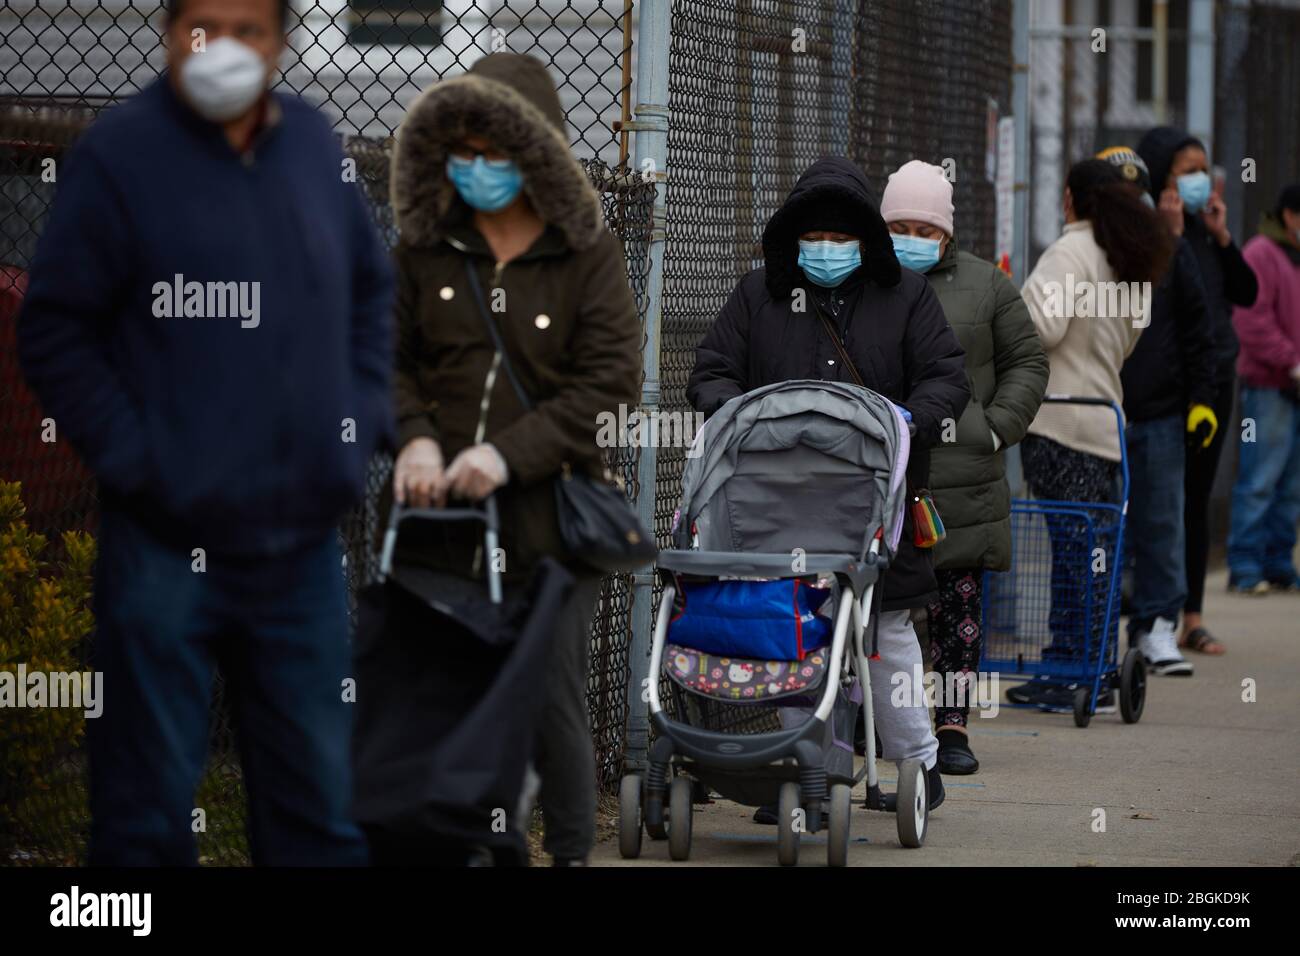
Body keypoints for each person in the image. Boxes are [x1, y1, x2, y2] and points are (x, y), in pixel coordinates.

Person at [17, 0, 392, 865]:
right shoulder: (121, 154)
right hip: (160, 544)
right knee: (144, 816)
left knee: (319, 815)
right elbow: (56, 328)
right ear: (169, 32)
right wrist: (137, 458)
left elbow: (372, 295)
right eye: (203, 26)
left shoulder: (310, 144)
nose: (223, 47)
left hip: (298, 547)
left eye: (248, 28)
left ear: (282, 41)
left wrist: (355, 427)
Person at [387, 52, 642, 866]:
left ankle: (568, 854)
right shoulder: (425, 253)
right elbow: (382, 359)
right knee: (444, 701)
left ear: (537, 155)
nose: (478, 169)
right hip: (442, 522)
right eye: (462, 151)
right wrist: (416, 435)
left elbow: (610, 382)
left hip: (551, 523)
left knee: (547, 699)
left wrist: (506, 457)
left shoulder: (587, 255)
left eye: (496, 152)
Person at [688, 156, 970, 812]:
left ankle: (918, 762)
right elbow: (712, 370)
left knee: (886, 635)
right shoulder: (759, 294)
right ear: (791, 239)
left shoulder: (904, 296)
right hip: (774, 497)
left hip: (879, 499)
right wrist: (740, 418)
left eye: (841, 238)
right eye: (813, 238)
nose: (826, 250)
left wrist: (907, 419)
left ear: (864, 240)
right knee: (791, 629)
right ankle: (806, 764)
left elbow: (946, 378)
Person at [880, 160, 1048, 774]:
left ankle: (952, 729)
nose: (910, 237)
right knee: (882, 608)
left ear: (946, 232)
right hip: (888, 475)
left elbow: (1027, 361)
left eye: (923, 228)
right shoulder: (869, 284)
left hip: (965, 475)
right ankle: (881, 722)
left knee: (959, 608)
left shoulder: (989, 286)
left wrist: (997, 426)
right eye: (897, 225)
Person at [1009, 159, 1175, 709]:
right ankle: (1092, 665)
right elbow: (1129, 341)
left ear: (1071, 200)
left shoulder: (1069, 252)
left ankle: (1070, 671)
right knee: (1094, 552)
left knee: (1072, 553)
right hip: (1106, 424)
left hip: (1060, 424)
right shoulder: (1127, 258)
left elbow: (1039, 325)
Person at [1097, 147, 1216, 676]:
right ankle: (1096, 632)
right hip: (1100, 412)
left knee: (1163, 523)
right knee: (1103, 527)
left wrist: (1202, 402)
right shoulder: (1089, 251)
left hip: (1162, 412)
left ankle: (1156, 627)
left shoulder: (1171, 251)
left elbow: (1199, 330)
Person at [1137, 128, 1258, 652]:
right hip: (1166, 384)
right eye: (1186, 171)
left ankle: (1191, 614)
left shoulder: (1210, 234)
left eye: (1202, 169)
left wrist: (1223, 237)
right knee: (1159, 500)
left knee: (1197, 494)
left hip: (1213, 381)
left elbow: (1246, 292)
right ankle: (1150, 614)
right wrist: (1170, 232)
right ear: (1162, 176)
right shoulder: (1150, 235)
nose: (1198, 180)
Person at [1225, 184, 1300, 594]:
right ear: (1290, 216)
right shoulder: (1260, 254)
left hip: (1293, 387)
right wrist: (1291, 360)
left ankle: (1278, 562)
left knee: (1291, 485)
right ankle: (1245, 564)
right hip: (1268, 386)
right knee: (1260, 479)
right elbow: (1251, 321)